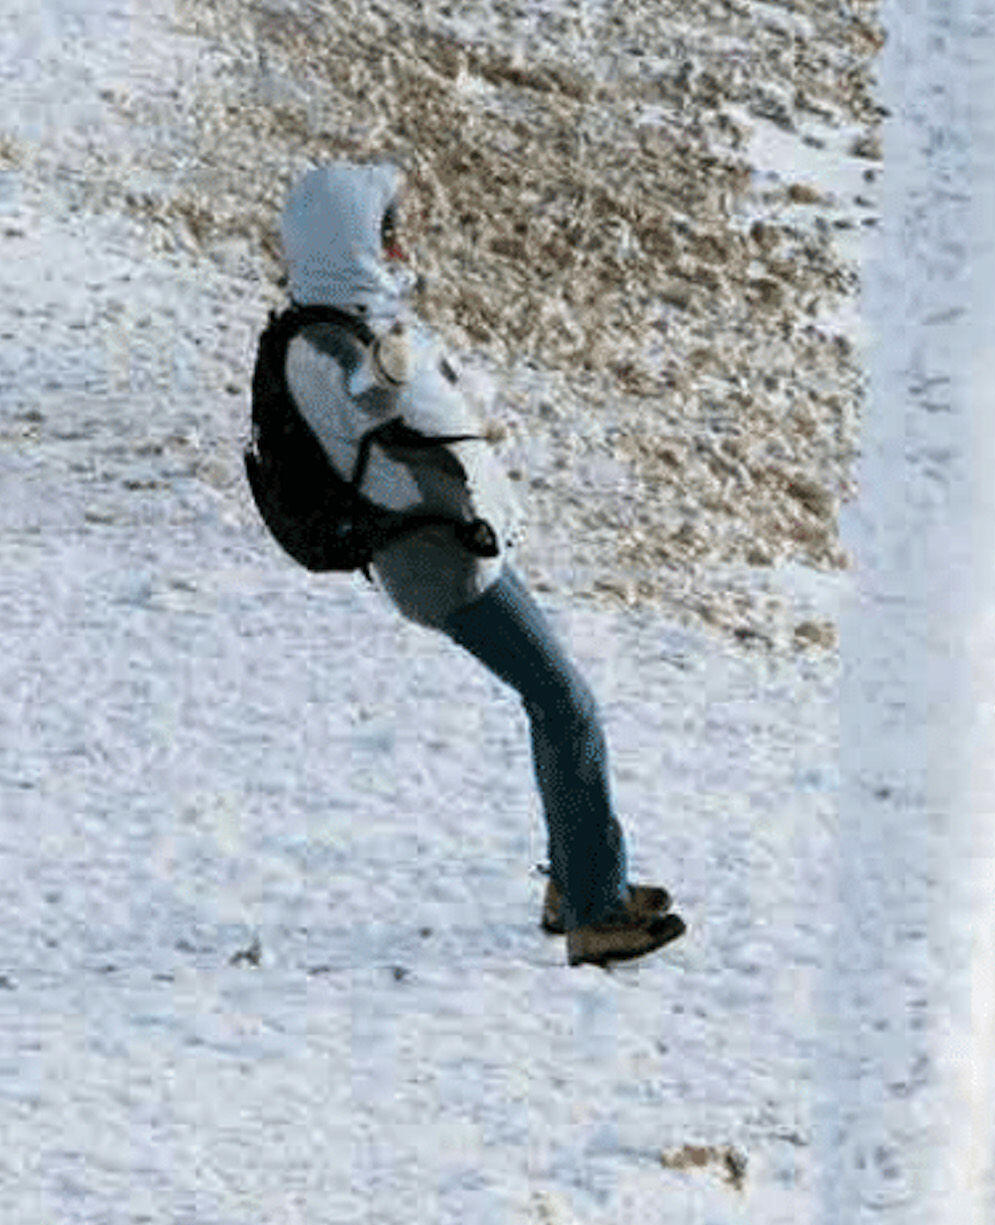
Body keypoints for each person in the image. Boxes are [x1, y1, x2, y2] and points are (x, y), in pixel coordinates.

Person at [272, 161, 686, 968]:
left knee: (560, 697)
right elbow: (369, 425)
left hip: (460, 544)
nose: (400, 243)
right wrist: (397, 369)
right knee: (564, 704)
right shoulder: (316, 346)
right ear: (348, 241)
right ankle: (597, 915)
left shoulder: (350, 322)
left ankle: (579, 879)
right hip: (434, 560)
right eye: (384, 231)